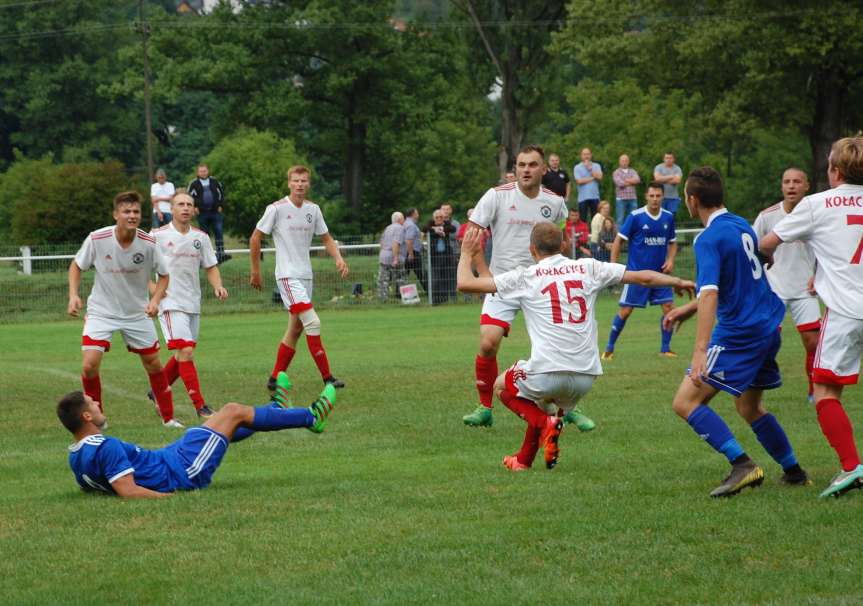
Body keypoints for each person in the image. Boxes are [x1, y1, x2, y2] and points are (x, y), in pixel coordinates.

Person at [457, 224, 694, 470]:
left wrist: (466, 252)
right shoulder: (588, 267)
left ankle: (545, 424)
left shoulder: (525, 276)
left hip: (548, 372)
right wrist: (676, 280)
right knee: (542, 404)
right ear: (563, 245)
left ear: (532, 250)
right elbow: (643, 276)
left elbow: (465, 283)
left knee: (501, 385)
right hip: (585, 378)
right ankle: (523, 461)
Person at [663, 166, 809, 498]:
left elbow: (711, 292)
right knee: (749, 407)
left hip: (739, 334)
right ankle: (794, 472)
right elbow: (749, 267)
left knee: (685, 402)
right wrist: (689, 308)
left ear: (692, 200)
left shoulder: (709, 238)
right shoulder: (741, 224)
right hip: (769, 324)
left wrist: (700, 350)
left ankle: (742, 465)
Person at [460, 144, 595, 432]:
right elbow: (471, 235)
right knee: (487, 343)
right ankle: (485, 408)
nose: (526, 170)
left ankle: (567, 409)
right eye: (521, 165)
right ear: (515, 168)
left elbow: (559, 240)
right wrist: (484, 273)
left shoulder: (555, 202)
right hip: (505, 282)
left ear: (543, 169)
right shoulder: (496, 196)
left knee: (561, 344)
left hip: (543, 283)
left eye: (532, 165)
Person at [759, 136, 863, 498]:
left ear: (833, 170)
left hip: (847, 312)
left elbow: (767, 244)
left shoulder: (817, 204)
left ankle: (851, 466)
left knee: (824, 391)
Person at [57, 373, 336, 498]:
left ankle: (276, 410)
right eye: (93, 404)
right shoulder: (107, 447)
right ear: (87, 417)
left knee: (216, 423)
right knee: (232, 411)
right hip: (181, 471)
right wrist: (169, 498)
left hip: (170, 456)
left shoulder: (76, 454)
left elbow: (91, 485)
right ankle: (311, 416)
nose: (98, 405)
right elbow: (127, 490)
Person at [67, 191, 182, 428]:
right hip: (102, 311)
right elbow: (77, 266)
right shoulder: (97, 239)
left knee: (153, 364)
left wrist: (155, 300)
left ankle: (169, 418)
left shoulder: (148, 243)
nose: (132, 216)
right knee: (89, 364)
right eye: (126, 211)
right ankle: (97, 421)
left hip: (136, 313)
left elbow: (164, 275)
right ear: (115, 214)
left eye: (136, 212)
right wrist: (73, 295)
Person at [250, 165, 349, 394]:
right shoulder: (276, 209)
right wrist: (255, 271)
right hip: (287, 276)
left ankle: (274, 378)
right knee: (312, 322)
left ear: (309, 183)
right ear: (289, 183)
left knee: (295, 330)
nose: (300, 184)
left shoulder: (313, 210)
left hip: (306, 276)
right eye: (296, 180)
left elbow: (326, 238)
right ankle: (328, 378)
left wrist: (338, 258)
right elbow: (255, 238)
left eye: (304, 181)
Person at [149, 192, 228, 419]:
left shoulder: (200, 237)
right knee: (185, 351)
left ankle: (156, 391)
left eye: (189, 205)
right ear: (171, 209)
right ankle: (200, 406)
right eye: (180, 204)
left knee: (182, 355)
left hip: (192, 301)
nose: (185, 208)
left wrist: (218, 286)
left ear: (194, 210)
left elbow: (211, 266)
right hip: (169, 302)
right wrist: (154, 291)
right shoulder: (157, 235)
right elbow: (141, 263)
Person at [752, 168, 820, 403]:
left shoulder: (817, 214)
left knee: (813, 342)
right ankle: (756, 386)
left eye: (797, 182)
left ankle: (814, 390)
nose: (791, 186)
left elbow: (827, 250)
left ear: (807, 186)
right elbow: (752, 250)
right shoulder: (767, 216)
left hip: (805, 289)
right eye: (787, 182)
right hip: (774, 289)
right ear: (781, 187)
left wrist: (818, 276)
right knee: (768, 340)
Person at [602, 182, 678, 359]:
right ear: (646, 196)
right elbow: (618, 241)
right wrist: (614, 268)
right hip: (637, 275)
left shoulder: (668, 217)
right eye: (651, 196)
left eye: (658, 196)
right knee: (626, 311)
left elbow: (673, 243)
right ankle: (609, 348)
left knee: (669, 308)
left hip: (660, 275)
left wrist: (671, 259)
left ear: (662, 197)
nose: (654, 199)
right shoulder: (636, 216)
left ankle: (665, 348)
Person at [188, 164, 230, 263]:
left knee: (219, 232)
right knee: (204, 234)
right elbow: (189, 196)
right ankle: (205, 255)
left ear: (208, 171)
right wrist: (194, 207)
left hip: (215, 211)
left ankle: (220, 254)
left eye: (205, 171)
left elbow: (221, 193)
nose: (203, 173)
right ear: (198, 172)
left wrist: (221, 205)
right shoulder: (193, 183)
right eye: (201, 171)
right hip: (202, 212)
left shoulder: (215, 181)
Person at [424, 209, 456, 305]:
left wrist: (442, 229)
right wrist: (434, 229)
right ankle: (436, 299)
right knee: (435, 278)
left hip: (446, 256)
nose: (439, 219)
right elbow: (424, 228)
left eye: (441, 217)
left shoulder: (446, 224)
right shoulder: (430, 224)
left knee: (447, 277)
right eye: (437, 217)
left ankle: (447, 298)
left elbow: (452, 228)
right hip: (435, 256)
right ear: (434, 218)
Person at [378, 211, 406, 302]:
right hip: (393, 256)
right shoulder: (400, 228)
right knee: (400, 278)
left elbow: (381, 242)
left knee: (383, 279)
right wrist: (395, 258)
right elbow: (395, 243)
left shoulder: (387, 228)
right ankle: (404, 296)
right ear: (399, 219)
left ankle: (383, 298)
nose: (404, 220)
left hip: (383, 256)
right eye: (403, 219)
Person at [573, 147, 602, 221]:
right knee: (583, 220)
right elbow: (579, 181)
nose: (586, 156)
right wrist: (592, 178)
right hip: (582, 198)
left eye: (588, 154)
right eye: (584, 154)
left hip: (595, 196)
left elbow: (599, 177)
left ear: (591, 155)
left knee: (596, 220)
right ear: (581, 156)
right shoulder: (577, 167)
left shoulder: (596, 166)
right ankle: (584, 233)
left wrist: (590, 168)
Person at [403, 207, 426, 292]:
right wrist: (411, 254)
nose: (418, 214)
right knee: (421, 274)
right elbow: (409, 240)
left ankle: (399, 293)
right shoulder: (411, 225)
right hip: (412, 253)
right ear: (413, 214)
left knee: (405, 274)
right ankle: (429, 292)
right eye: (417, 213)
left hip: (409, 252)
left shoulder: (407, 223)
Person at [612, 154, 640, 225]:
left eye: (626, 160)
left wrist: (626, 181)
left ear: (628, 161)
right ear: (619, 162)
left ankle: (632, 235)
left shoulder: (633, 171)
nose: (624, 162)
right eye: (622, 160)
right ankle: (620, 235)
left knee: (634, 218)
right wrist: (631, 182)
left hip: (632, 198)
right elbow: (619, 183)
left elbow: (637, 180)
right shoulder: (616, 172)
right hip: (621, 199)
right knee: (620, 219)